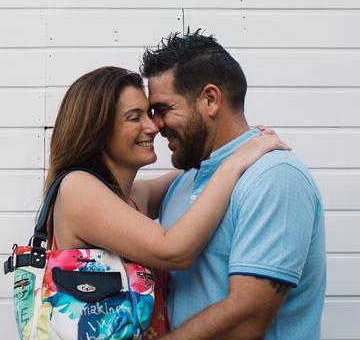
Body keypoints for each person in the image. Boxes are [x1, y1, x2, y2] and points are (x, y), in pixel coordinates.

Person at [43, 65, 290, 337]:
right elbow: (174, 250)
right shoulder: (77, 188)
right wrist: (236, 161)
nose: (153, 127)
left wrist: (237, 143)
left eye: (149, 114)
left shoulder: (130, 198)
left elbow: (198, 172)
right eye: (133, 117)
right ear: (98, 130)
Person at [142, 30, 327, 339]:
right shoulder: (187, 180)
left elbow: (247, 319)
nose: (154, 125)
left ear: (210, 100)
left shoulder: (274, 176)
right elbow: (107, 195)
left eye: (163, 110)